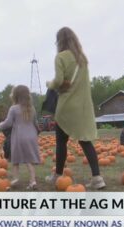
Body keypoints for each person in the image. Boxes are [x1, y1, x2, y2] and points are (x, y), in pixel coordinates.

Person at [45, 27, 106, 190]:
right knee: (86, 141)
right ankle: (97, 177)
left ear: (59, 41)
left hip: (66, 107)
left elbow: (58, 81)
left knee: (61, 142)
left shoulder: (60, 57)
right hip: (83, 108)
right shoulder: (82, 59)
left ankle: (57, 175)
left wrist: (48, 84)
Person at [0, 85, 40, 190]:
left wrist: (0, 125)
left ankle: (16, 179)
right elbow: (36, 123)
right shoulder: (32, 108)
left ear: (15, 96)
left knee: (15, 160)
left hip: (18, 137)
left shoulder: (14, 108)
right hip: (31, 136)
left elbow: (8, 123)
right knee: (29, 160)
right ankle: (33, 181)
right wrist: (37, 132)